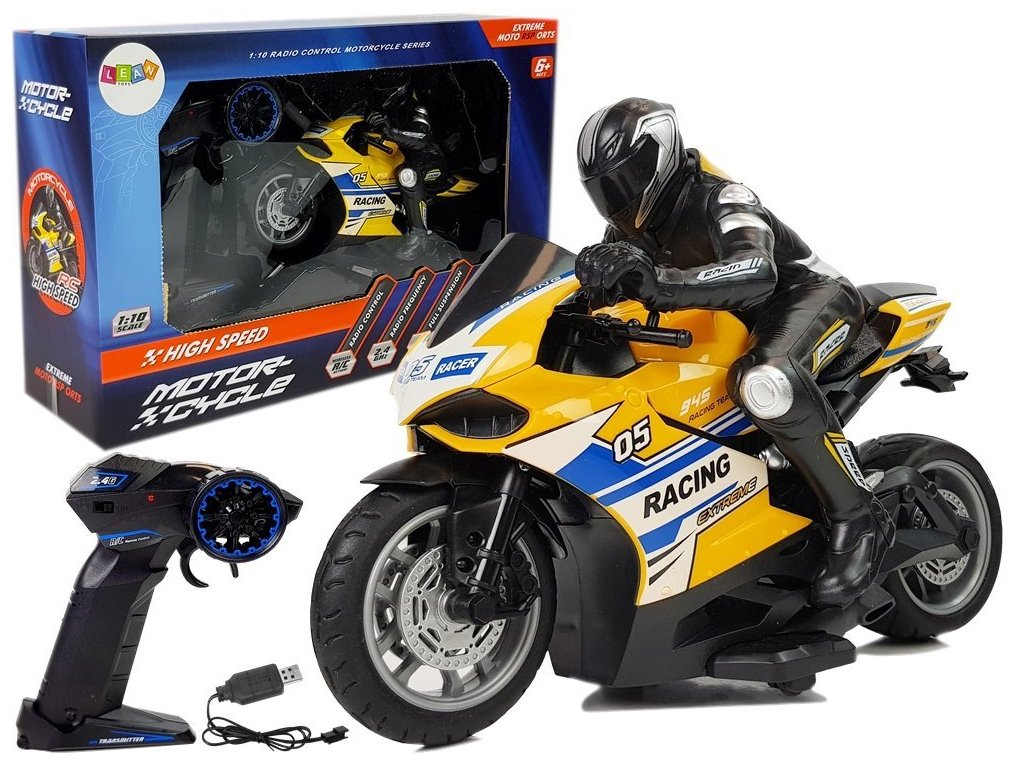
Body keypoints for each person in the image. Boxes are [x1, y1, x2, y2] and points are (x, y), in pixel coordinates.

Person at [574, 97, 893, 607]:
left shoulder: (722, 198)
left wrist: (661, 282)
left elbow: (757, 271)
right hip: (726, 319)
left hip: (805, 297)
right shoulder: (628, 231)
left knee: (765, 379)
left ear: (659, 156)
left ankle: (859, 519)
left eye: (624, 180)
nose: (617, 197)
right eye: (605, 188)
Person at [365, 77, 447, 261]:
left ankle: (419, 237)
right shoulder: (377, 109)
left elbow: (422, 138)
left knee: (408, 175)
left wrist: (391, 132)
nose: (383, 90)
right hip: (398, 159)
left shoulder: (416, 108)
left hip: (430, 160)